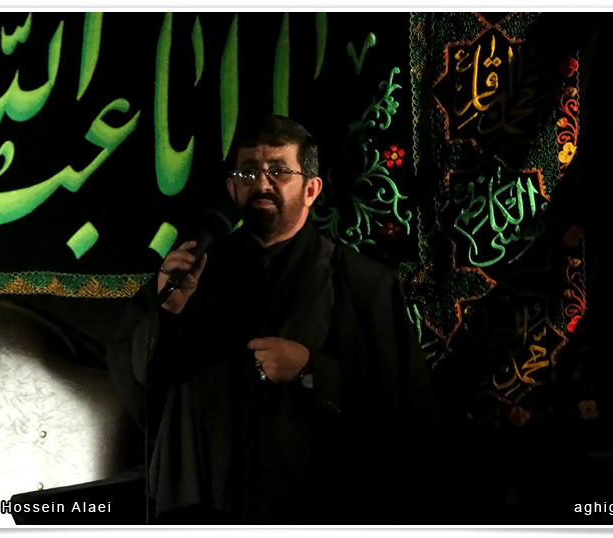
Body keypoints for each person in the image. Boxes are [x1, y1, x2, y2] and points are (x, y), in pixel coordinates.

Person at [107, 115, 438, 524]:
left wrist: (310, 372)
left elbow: (403, 412)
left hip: (314, 509)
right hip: (201, 504)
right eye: (248, 172)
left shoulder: (364, 285)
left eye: (279, 171)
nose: (262, 184)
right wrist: (169, 313)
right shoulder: (191, 273)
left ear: (311, 189)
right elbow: (136, 377)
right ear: (232, 188)